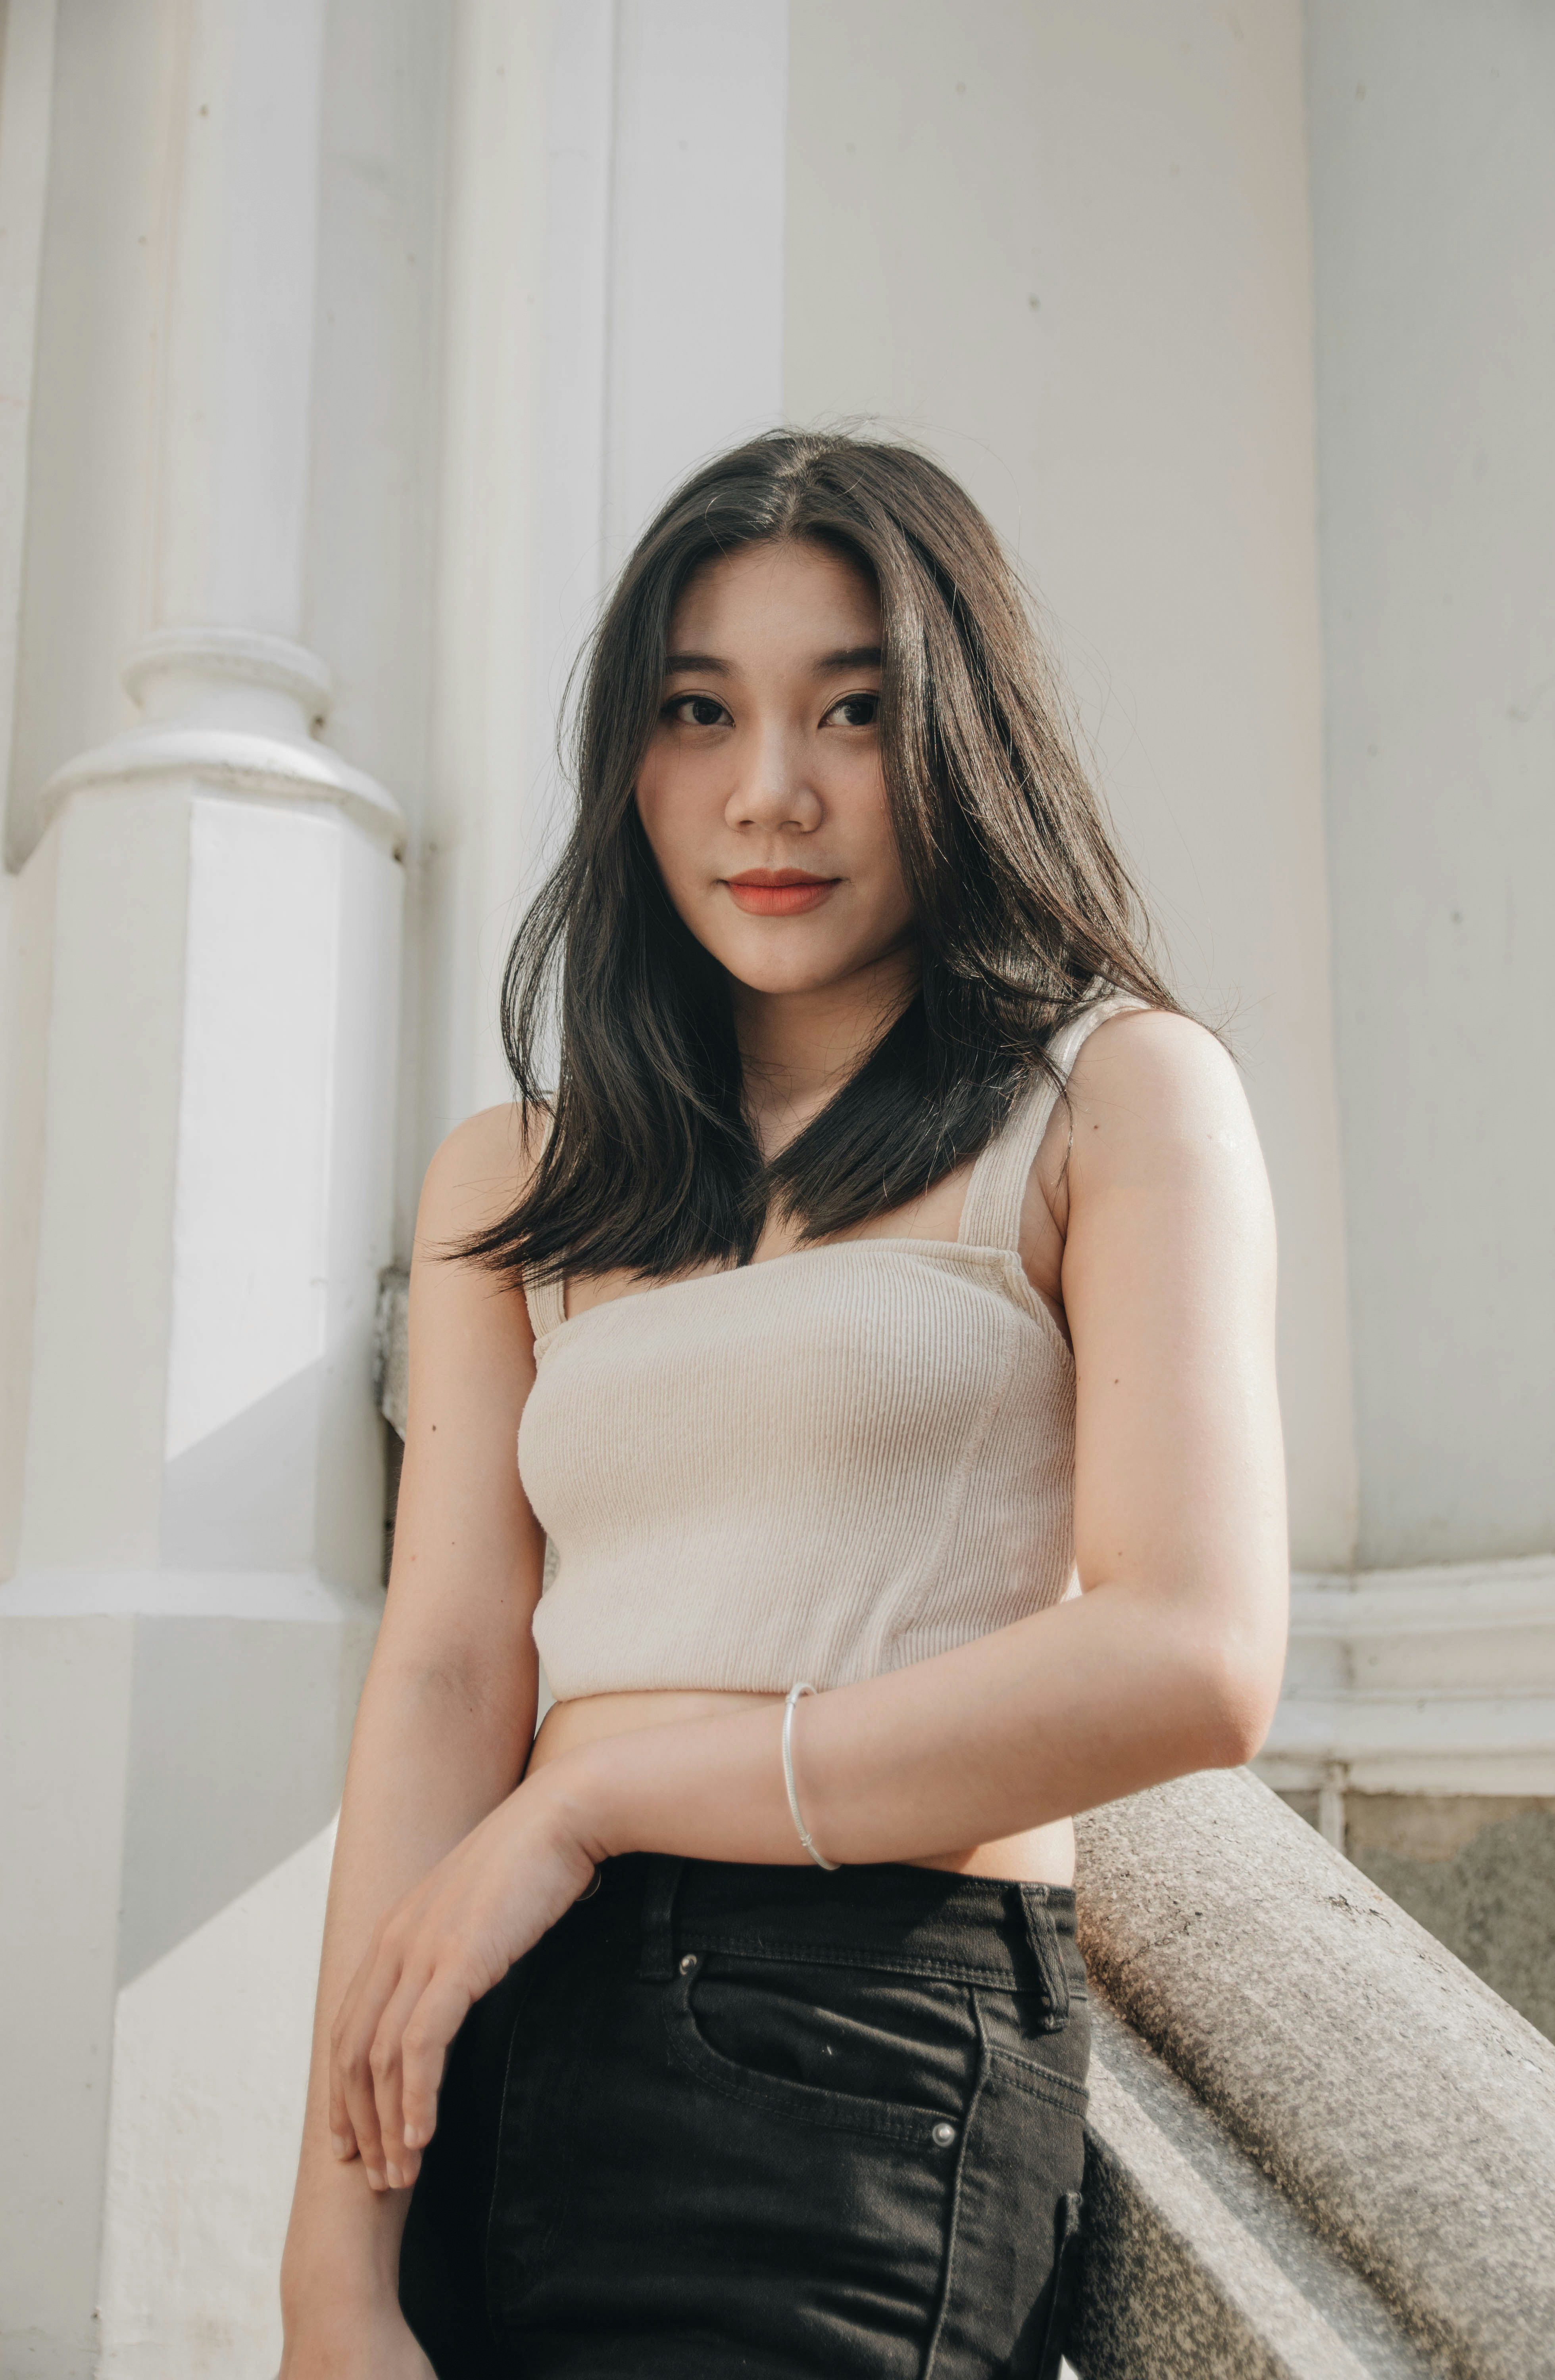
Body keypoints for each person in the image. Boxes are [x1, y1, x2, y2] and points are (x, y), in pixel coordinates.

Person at [279, 430, 1288, 2379]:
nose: (770, 791)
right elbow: (440, 1679)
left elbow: (1192, 1655)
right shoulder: (518, 1181)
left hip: (847, 2054)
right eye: (696, 710)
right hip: (492, 2024)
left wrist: (595, 1798)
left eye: (853, 708)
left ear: (960, 738)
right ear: (626, 762)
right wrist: (335, 2271)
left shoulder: (1112, 1099)